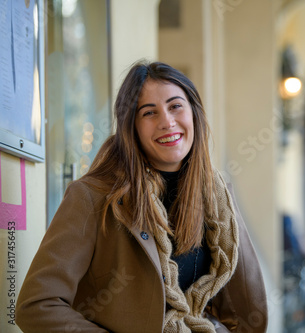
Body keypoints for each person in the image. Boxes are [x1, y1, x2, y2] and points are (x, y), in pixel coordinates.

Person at [16, 61, 268, 332]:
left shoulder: (218, 199)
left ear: (194, 113)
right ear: (131, 126)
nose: (167, 122)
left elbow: (242, 314)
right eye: (149, 113)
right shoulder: (92, 197)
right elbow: (37, 305)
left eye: (175, 106)